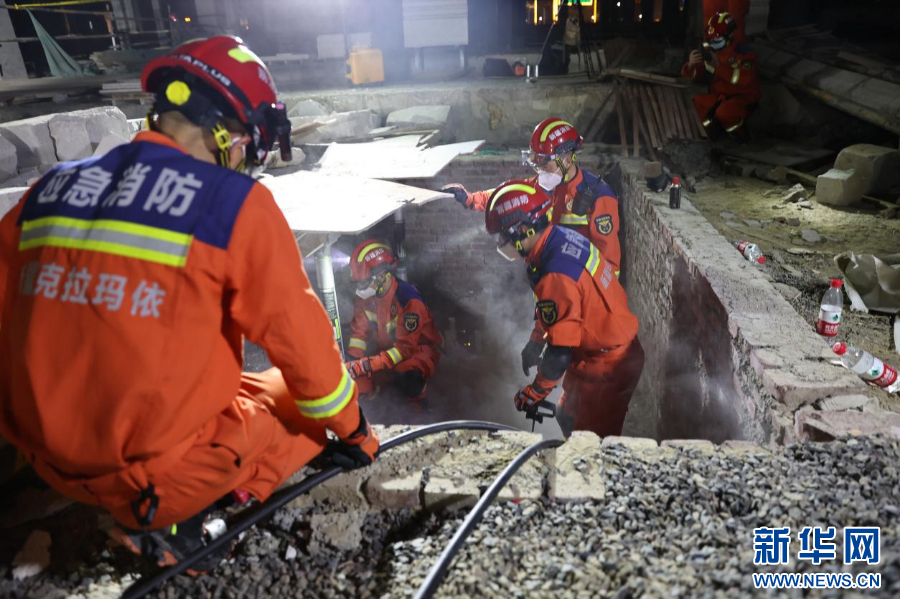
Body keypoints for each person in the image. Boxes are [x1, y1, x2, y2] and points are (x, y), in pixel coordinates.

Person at [0, 36, 378, 571]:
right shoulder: (233, 205)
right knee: (305, 415)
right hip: (145, 476)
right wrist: (356, 432)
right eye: (248, 145)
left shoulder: (49, 190)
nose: (244, 160)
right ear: (227, 133)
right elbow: (305, 348)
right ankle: (180, 525)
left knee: (269, 384)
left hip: (43, 456)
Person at [484, 180, 644, 438]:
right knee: (566, 415)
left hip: (608, 364)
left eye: (502, 237)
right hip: (595, 352)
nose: (501, 243)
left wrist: (536, 391)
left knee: (590, 442)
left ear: (523, 230)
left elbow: (560, 351)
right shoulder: (556, 238)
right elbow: (558, 308)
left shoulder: (555, 272)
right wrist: (536, 340)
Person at [442, 118, 623, 278]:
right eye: (537, 164)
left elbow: (609, 264)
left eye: (545, 164)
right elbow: (508, 197)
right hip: (550, 273)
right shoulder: (543, 184)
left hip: (578, 284)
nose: (540, 170)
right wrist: (470, 199)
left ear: (567, 160)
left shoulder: (599, 197)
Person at [345, 240, 443, 405]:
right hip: (385, 352)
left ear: (383, 276)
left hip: (416, 352)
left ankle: (420, 405)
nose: (360, 288)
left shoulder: (408, 300)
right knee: (356, 385)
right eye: (359, 283)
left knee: (408, 379)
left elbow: (404, 350)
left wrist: (366, 366)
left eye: (364, 282)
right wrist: (352, 362)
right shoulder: (364, 298)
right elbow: (358, 334)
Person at [681, 11, 760, 137]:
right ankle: (710, 134)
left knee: (724, 112)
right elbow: (697, 72)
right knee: (697, 103)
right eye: (712, 40)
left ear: (730, 35)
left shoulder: (744, 54)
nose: (714, 43)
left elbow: (743, 79)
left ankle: (739, 135)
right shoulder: (713, 51)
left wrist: (717, 69)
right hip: (721, 96)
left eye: (718, 39)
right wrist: (690, 65)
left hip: (743, 97)